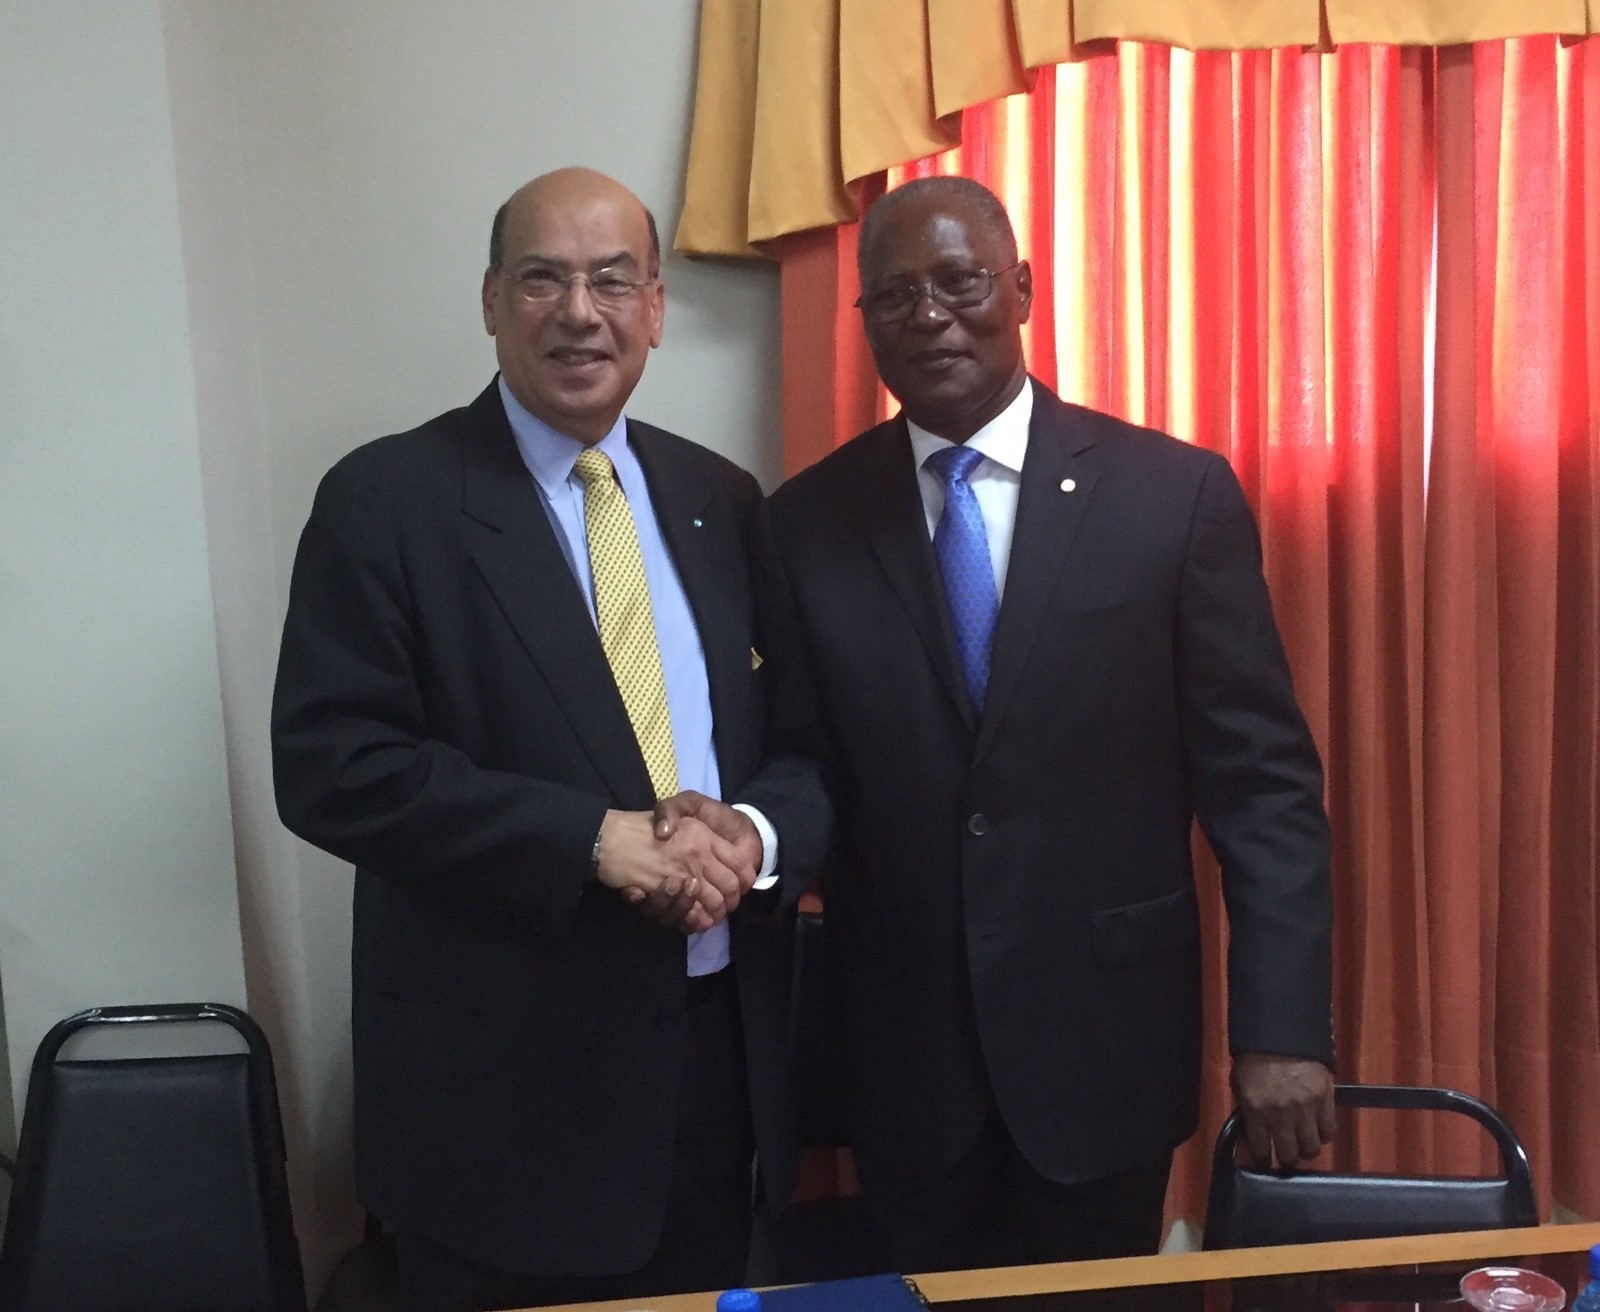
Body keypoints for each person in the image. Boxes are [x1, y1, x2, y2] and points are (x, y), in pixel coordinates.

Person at [746, 175, 1335, 1272]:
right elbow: (806, 767)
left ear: (1018, 288)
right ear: (864, 320)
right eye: (894, 296)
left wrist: (1282, 1028)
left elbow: (1263, 787)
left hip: (1104, 1048)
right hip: (903, 1060)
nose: (930, 317)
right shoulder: (802, 526)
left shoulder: (1172, 497)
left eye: (959, 282)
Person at [271, 167, 830, 1311]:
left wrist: (753, 835)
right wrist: (590, 839)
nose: (581, 311)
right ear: (489, 301)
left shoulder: (719, 500)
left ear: (657, 309)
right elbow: (332, 765)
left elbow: (806, 749)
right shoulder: (388, 501)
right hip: (504, 1112)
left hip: (713, 1084)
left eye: (614, 280)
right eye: (543, 279)